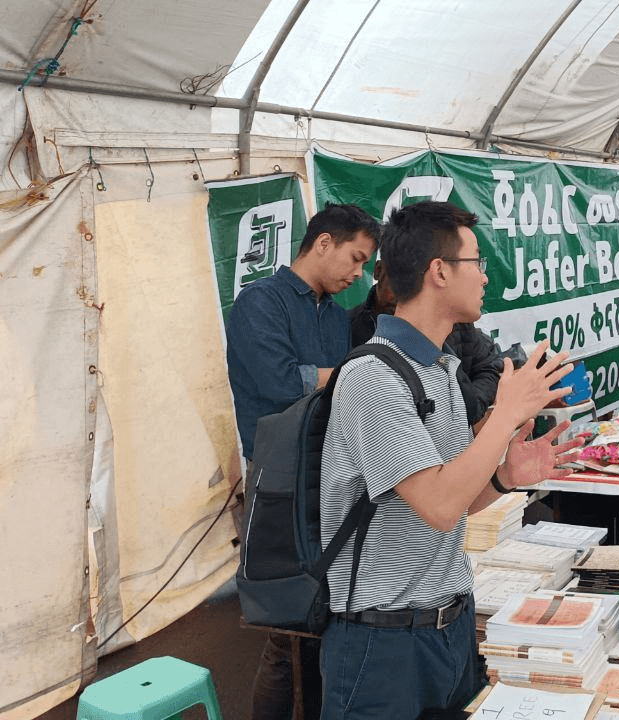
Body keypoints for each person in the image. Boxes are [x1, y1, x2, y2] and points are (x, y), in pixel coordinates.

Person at [319, 200, 581, 719]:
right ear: (439, 271)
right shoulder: (371, 376)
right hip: (384, 642)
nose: (485, 277)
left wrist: (505, 477)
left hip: (450, 628)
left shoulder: (441, 368)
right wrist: (505, 414)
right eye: (476, 262)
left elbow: (453, 499)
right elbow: (438, 504)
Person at [225, 202, 380, 720]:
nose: (358, 274)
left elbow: (337, 392)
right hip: (276, 482)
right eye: (355, 259)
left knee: (326, 621)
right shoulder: (259, 302)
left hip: (329, 476)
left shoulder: (336, 317)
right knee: (285, 628)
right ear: (323, 243)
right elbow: (278, 382)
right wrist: (342, 375)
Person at [349, 260, 503, 425]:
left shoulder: (454, 319)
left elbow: (487, 367)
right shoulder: (350, 326)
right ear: (379, 271)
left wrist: (467, 407)